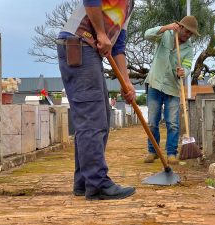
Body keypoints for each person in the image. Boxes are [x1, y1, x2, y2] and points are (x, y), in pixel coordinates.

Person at [56, 0, 136, 200]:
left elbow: (118, 44)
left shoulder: (129, 5)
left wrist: (126, 82)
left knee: (100, 118)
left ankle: (85, 181)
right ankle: (97, 184)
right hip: (79, 43)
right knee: (92, 117)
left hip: (90, 51)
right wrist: (100, 32)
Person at [143, 16, 200, 165]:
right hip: (155, 83)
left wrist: (184, 72)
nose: (187, 35)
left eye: (190, 34)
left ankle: (171, 153)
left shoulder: (189, 49)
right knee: (152, 122)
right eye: (186, 31)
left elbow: (188, 67)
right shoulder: (166, 35)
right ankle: (152, 151)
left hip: (173, 88)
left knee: (173, 124)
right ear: (179, 27)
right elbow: (147, 34)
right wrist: (165, 27)